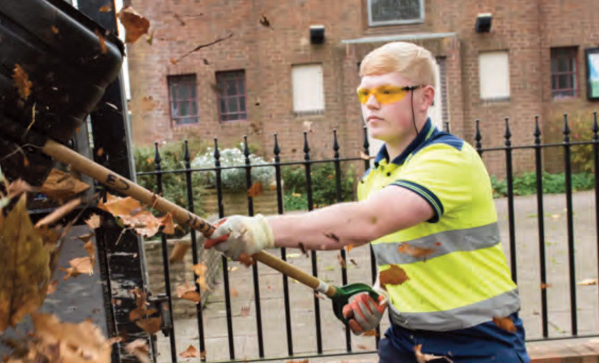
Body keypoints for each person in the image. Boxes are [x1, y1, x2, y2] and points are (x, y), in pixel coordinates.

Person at [204, 41, 529, 362]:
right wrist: (378, 298)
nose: (371, 104)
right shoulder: (374, 178)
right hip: (406, 341)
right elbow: (399, 260)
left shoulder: (449, 159)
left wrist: (260, 230)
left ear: (425, 97)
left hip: (478, 342)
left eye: (387, 92)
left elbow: (368, 221)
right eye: (364, 93)